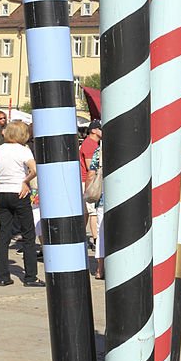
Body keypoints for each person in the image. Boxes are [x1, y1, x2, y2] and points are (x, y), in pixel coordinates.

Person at [0, 120, 40, 287]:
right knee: (28, 235)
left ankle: (3, 276)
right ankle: (30, 276)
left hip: (3, 192)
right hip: (19, 193)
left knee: (4, 234)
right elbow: (34, 170)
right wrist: (25, 181)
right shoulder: (23, 150)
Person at [79, 119, 102, 249]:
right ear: (94, 130)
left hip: (85, 180)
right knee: (92, 211)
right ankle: (95, 239)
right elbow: (90, 167)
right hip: (87, 181)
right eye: (100, 128)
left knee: (87, 212)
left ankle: (82, 237)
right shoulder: (90, 144)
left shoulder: (91, 143)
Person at [88, 145, 104, 280]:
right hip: (126, 198)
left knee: (101, 233)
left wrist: (88, 190)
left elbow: (91, 172)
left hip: (103, 198)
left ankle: (100, 268)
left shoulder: (99, 151)